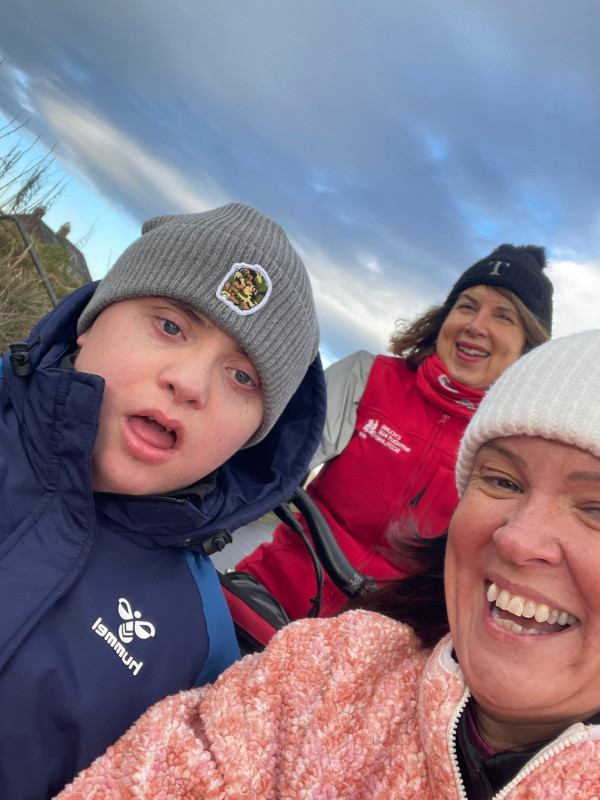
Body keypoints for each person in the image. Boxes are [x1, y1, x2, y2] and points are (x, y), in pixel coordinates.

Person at [54, 328, 600, 800]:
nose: (518, 539)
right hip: (280, 594)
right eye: (502, 481)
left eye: (597, 509)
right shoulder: (326, 669)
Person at [0, 203, 325, 800]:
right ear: (92, 320)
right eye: (171, 326)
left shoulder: (200, 656)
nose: (189, 383)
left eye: (242, 377)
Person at [236, 243, 553, 620]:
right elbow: (270, 463)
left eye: (503, 316)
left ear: (528, 347)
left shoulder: (513, 448)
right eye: (467, 306)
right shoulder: (365, 376)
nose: (476, 325)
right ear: (444, 318)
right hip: (265, 595)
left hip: (376, 643)